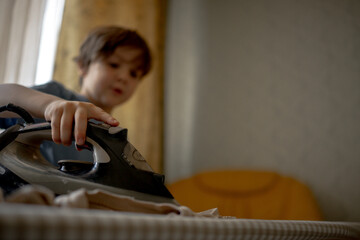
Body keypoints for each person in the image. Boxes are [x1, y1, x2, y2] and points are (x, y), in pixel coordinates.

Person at [0, 25, 152, 165]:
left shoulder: (118, 139)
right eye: (113, 64)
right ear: (83, 65)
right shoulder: (55, 96)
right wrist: (49, 105)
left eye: (133, 73)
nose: (124, 77)